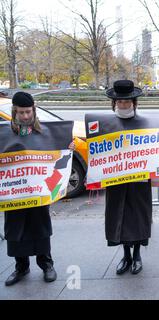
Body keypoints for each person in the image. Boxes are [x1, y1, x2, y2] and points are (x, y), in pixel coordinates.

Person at [4, 92, 74, 286]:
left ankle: (47, 265)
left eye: (28, 112)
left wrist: (69, 147)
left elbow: (60, 154)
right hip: (15, 193)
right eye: (21, 113)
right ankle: (21, 267)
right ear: (14, 112)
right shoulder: (4, 134)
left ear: (34, 110)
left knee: (40, 227)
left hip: (38, 191)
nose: (25, 116)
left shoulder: (45, 131)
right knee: (15, 230)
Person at [104, 80, 159, 275]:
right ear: (114, 103)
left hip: (139, 182)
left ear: (134, 102)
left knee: (138, 218)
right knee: (120, 218)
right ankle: (125, 255)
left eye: (127, 102)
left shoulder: (146, 123)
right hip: (116, 182)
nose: (123, 105)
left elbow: (156, 147)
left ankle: (137, 255)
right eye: (119, 102)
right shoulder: (106, 125)